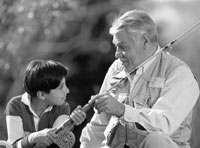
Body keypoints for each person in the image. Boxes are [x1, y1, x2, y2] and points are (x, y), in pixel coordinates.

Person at [80, 10, 200, 148]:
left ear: (145, 41)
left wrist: (121, 110)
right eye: (115, 47)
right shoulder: (117, 67)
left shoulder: (179, 74)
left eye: (123, 47)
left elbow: (163, 124)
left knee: (155, 139)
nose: (117, 54)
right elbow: (98, 126)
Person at [5, 60, 86, 148]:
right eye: (61, 87)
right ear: (42, 95)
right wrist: (32, 138)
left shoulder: (62, 107)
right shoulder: (15, 105)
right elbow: (13, 145)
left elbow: (57, 141)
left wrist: (73, 124)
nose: (67, 90)